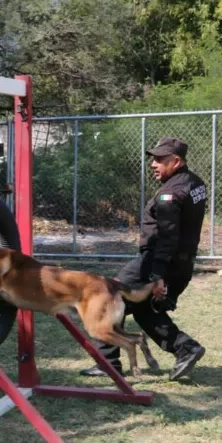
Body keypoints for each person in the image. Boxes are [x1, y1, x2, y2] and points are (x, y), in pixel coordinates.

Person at [80, 137, 207, 381]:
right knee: (144, 310)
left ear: (177, 161)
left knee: (105, 300)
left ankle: (108, 363)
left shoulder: (171, 195)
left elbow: (167, 238)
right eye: (153, 159)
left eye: (160, 159)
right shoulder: (194, 183)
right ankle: (186, 348)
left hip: (159, 262)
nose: (153, 164)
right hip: (181, 263)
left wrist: (157, 276)